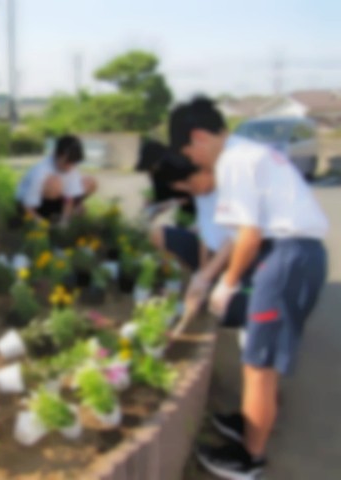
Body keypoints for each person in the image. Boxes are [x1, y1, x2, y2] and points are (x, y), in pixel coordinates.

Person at [169, 97, 328, 479]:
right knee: (259, 355)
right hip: (291, 255)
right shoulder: (247, 152)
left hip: (286, 256)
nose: (195, 162)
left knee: (259, 364)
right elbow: (240, 233)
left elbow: (249, 236)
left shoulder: (234, 162)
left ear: (199, 137)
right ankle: (250, 421)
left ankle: (249, 457)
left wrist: (226, 283)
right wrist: (206, 277)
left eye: (190, 153)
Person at [149, 156, 233, 308]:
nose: (191, 191)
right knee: (159, 234)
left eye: (189, 185)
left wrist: (206, 276)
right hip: (213, 250)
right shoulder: (201, 196)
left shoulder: (230, 188)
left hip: (236, 253)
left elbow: (237, 239)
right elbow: (204, 236)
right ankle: (185, 286)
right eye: (185, 189)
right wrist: (201, 271)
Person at [15, 135, 97, 225]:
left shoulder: (71, 167)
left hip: (54, 202)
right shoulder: (40, 171)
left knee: (89, 183)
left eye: (73, 163)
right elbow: (27, 206)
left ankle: (61, 216)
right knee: (54, 183)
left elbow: (68, 198)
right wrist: (42, 224)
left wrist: (65, 221)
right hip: (28, 205)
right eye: (67, 162)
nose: (70, 167)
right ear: (56, 155)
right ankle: (46, 218)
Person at [136, 138, 196, 224]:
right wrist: (154, 202)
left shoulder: (181, 166)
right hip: (180, 214)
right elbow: (161, 195)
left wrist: (184, 194)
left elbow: (197, 193)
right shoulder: (157, 173)